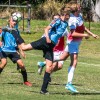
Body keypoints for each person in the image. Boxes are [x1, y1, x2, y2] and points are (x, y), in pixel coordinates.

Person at [21, 11, 70, 94]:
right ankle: (16, 37)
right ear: (65, 15)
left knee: (49, 67)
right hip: (45, 41)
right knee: (24, 48)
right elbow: (46, 29)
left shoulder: (66, 24)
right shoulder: (57, 20)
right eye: (69, 16)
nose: (69, 17)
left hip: (51, 46)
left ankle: (43, 90)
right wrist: (47, 37)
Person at [54, 4, 99, 93]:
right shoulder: (72, 20)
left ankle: (45, 62)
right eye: (79, 7)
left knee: (62, 58)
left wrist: (91, 34)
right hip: (73, 43)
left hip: (75, 43)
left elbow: (83, 27)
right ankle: (69, 83)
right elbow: (73, 33)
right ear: (76, 10)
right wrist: (85, 35)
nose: (81, 8)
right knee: (74, 62)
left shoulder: (79, 16)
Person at [0, 13, 32, 87]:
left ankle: (25, 81)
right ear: (9, 21)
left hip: (13, 51)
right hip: (3, 50)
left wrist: (21, 51)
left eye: (16, 22)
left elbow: (18, 42)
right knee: (4, 63)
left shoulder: (16, 31)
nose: (14, 23)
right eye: (13, 21)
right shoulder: (5, 29)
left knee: (22, 65)